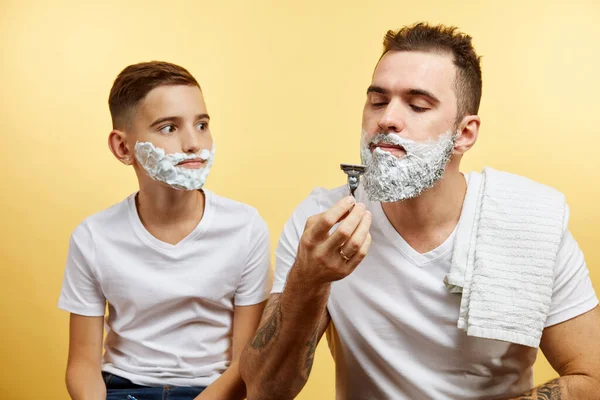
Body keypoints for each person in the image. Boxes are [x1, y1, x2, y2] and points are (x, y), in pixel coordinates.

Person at [239, 23, 600, 400]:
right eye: (378, 101)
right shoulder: (322, 222)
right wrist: (308, 280)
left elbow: (592, 376)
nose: (386, 119)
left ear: (465, 134)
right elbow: (264, 390)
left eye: (417, 105)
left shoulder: (531, 222)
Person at [58, 61, 272, 400]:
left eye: (202, 125)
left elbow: (247, 362)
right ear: (123, 148)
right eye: (169, 128)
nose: (193, 143)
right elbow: (83, 365)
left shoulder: (245, 228)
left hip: (213, 391)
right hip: (121, 389)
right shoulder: (93, 237)